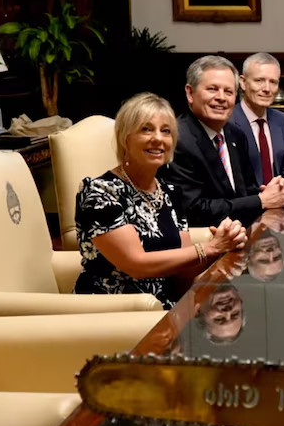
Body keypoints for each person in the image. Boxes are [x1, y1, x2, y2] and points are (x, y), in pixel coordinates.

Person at [74, 92, 247, 309]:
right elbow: (136, 265)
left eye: (166, 131)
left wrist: (225, 242)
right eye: (146, 129)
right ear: (125, 138)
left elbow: (183, 270)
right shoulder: (100, 191)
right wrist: (210, 248)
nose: (158, 138)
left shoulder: (170, 192)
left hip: (164, 307)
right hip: (116, 312)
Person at [162, 55, 284, 228]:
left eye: (228, 91)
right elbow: (193, 209)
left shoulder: (235, 135)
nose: (221, 97)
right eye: (212, 89)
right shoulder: (177, 139)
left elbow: (248, 191)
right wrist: (261, 200)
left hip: (241, 236)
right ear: (190, 93)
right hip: (202, 242)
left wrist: (276, 191)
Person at [229, 52, 284, 185]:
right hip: (244, 204)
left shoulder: (282, 121)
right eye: (259, 80)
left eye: (273, 82)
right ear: (243, 83)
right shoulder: (227, 121)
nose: (267, 89)